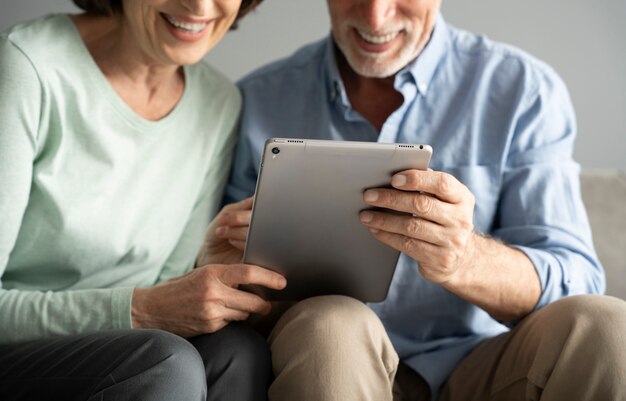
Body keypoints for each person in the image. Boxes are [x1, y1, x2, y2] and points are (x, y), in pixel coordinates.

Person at [224, 0, 626, 400]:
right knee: (331, 324)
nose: (375, 16)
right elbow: (233, 297)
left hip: (484, 365)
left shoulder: (523, 89)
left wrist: (467, 258)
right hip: (328, 359)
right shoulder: (257, 100)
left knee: (607, 325)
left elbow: (576, 280)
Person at [0, 1, 287, 400]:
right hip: (16, 352)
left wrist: (201, 265)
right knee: (166, 363)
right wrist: (140, 308)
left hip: (126, 348)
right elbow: (151, 312)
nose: (200, 6)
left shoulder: (218, 102)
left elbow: (162, 290)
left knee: (239, 352)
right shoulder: (26, 65)